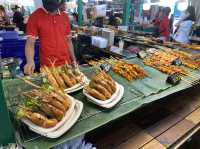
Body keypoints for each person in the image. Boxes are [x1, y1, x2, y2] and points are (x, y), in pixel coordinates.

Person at [24, 0, 76, 75]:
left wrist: (73, 60)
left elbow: (68, 41)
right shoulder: (35, 16)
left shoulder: (64, 16)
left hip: (66, 64)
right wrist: (30, 61)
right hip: (47, 67)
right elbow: (30, 43)